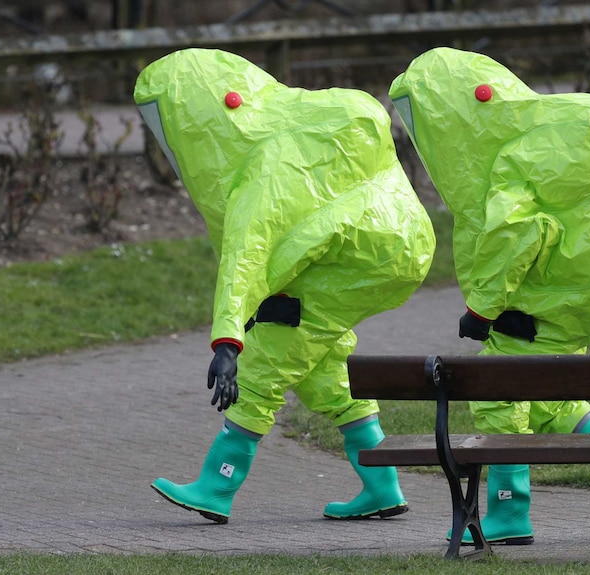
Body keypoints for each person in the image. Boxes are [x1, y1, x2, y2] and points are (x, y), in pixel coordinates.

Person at [388, 47, 590, 545]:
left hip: (563, 292)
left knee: (499, 386)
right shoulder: (549, 136)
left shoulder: (511, 157)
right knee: (546, 389)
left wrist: (483, 309)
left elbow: (517, 234)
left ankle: (508, 512)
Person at [133, 48, 436, 524]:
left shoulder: (268, 164)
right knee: (326, 368)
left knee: (266, 357)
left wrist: (229, 341)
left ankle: (217, 485)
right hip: (390, 247)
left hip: (350, 259)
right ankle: (382, 484)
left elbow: (247, 255)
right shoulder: (302, 127)